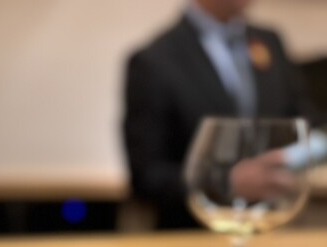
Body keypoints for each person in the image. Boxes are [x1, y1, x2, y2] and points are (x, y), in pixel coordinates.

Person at [122, 0, 323, 229]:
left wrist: (312, 150)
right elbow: (146, 177)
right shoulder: (154, 60)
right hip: (191, 235)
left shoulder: (269, 43)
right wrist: (226, 182)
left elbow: (305, 124)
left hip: (272, 227)